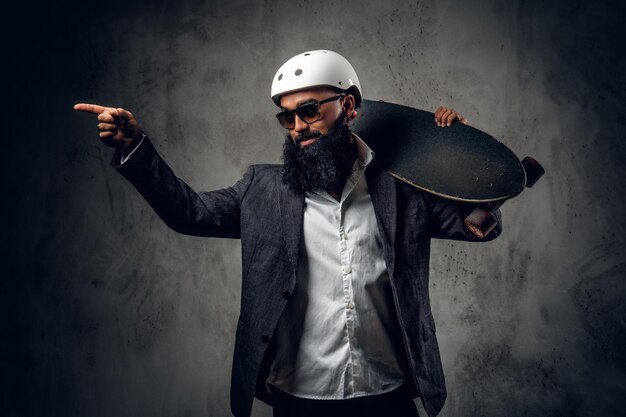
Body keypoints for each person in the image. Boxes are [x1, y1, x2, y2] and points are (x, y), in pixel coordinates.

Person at [74, 50, 501, 417]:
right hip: (299, 400)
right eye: (287, 116)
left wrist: (459, 156)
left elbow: (475, 225)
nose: (297, 125)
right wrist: (135, 146)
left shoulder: (402, 190)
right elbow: (190, 213)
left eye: (310, 110)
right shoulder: (260, 190)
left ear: (349, 106)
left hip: (389, 394)